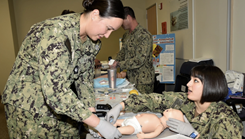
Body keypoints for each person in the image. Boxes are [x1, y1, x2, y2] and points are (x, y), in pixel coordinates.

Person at [1, 0, 125, 138]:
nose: (108, 35)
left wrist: (90, 113)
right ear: (95, 15)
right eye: (108, 28)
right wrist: (98, 124)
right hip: (29, 106)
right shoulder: (54, 32)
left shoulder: (92, 42)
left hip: (62, 105)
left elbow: (84, 80)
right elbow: (56, 92)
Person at [106, 65, 244, 138]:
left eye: (195, 81)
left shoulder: (226, 119)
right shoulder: (187, 101)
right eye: (190, 79)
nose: (188, 84)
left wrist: (195, 135)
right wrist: (121, 105)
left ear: (210, 85)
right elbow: (155, 99)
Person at [110, 6, 155, 94]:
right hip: (131, 78)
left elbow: (139, 60)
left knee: (142, 105)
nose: (120, 24)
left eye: (121, 20)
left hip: (143, 82)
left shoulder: (144, 35)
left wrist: (119, 64)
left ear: (128, 17)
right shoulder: (127, 35)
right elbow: (123, 52)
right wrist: (115, 62)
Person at [114, 108, 185, 139]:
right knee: (116, 121)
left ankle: (110, 132)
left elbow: (154, 134)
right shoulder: (159, 118)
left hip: (135, 126)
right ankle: (110, 126)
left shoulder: (160, 126)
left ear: (172, 120)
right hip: (132, 119)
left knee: (120, 130)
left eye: (172, 111)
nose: (170, 108)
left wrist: (144, 136)